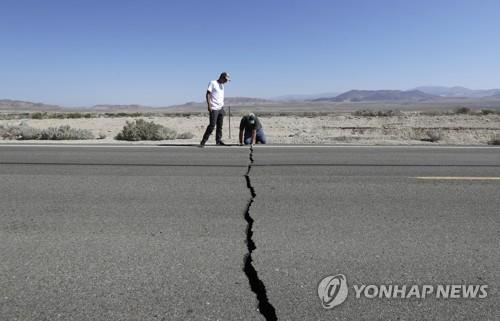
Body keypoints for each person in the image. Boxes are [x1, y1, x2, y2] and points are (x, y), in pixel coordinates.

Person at [200, 72, 230, 147]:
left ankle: (218, 141)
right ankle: (203, 142)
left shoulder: (222, 85)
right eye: (225, 80)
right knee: (212, 125)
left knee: (220, 126)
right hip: (214, 108)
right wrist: (209, 106)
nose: (226, 81)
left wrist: (222, 108)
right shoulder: (212, 83)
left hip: (220, 108)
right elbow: (208, 94)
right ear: (222, 77)